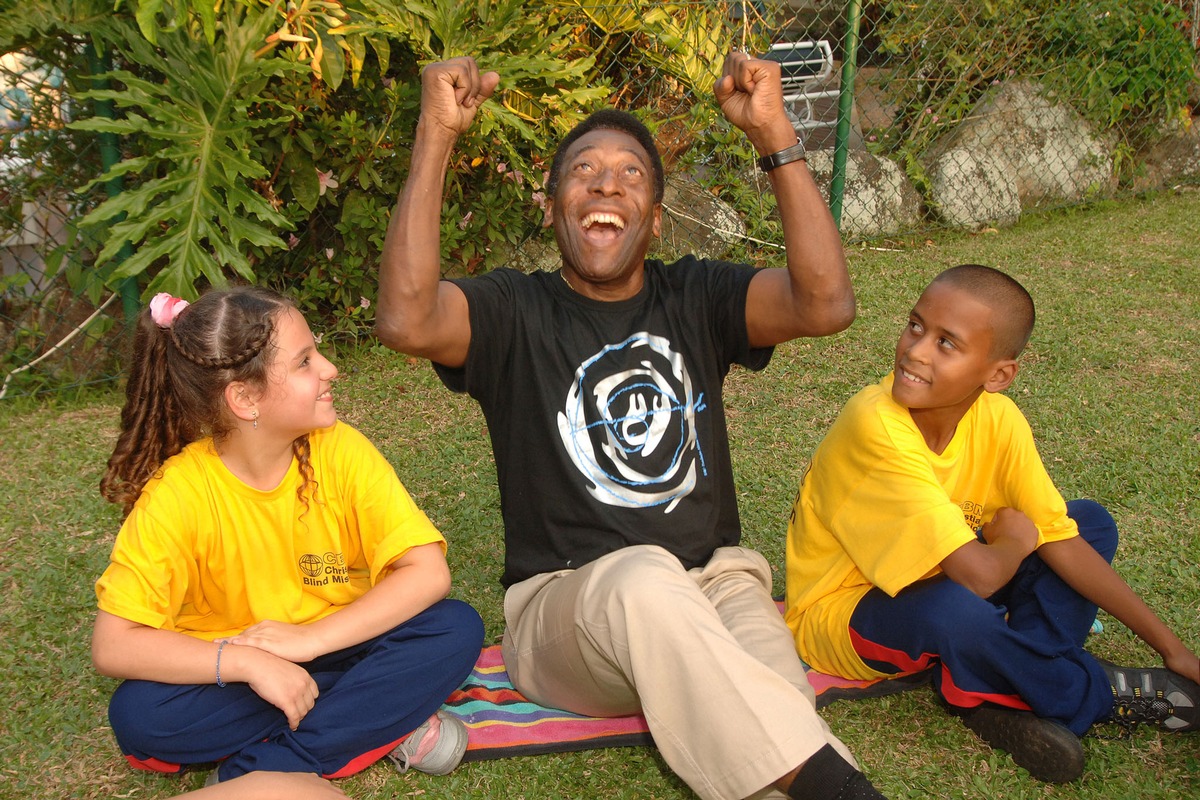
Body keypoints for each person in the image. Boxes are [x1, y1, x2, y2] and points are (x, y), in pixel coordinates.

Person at [374, 54, 884, 800]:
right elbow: (405, 318)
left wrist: (773, 129)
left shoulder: (698, 296)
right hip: (567, 614)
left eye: (631, 175)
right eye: (583, 170)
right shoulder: (513, 312)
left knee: (775, 709)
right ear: (551, 208)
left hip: (717, 589)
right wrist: (436, 134)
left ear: (653, 217)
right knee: (646, 580)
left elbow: (826, 305)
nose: (607, 183)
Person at [784, 264, 1200, 783]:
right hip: (847, 612)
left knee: (1089, 524)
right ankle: (1087, 693)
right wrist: (1016, 543)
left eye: (947, 344)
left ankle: (993, 687)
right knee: (957, 609)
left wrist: (1174, 649)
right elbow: (978, 576)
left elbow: (1061, 541)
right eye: (916, 326)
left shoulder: (1000, 421)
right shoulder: (875, 425)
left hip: (954, 577)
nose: (915, 351)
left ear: (998, 374)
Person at [93, 287, 484, 788]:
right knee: (140, 716)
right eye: (304, 362)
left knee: (452, 628)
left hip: (345, 639)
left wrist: (311, 639)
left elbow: (428, 572)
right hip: (239, 669)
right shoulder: (178, 495)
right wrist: (245, 662)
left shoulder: (341, 450)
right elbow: (112, 646)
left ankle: (267, 768)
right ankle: (377, 718)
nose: (329, 369)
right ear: (245, 398)